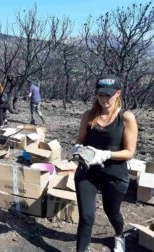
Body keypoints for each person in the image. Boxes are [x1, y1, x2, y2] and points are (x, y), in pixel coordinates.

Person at [72, 74, 138, 252]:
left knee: (112, 212)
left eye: (108, 95)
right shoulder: (89, 115)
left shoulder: (126, 118)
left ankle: (119, 235)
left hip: (114, 173)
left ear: (118, 93)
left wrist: (105, 154)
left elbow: (130, 152)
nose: (104, 99)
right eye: (101, 95)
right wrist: (77, 150)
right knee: (86, 217)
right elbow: (80, 140)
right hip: (88, 171)